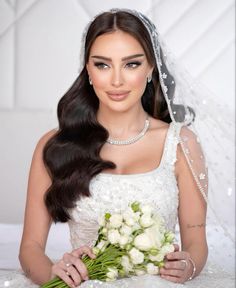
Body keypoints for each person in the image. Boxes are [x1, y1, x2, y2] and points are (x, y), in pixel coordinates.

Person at [1, 8, 234, 288]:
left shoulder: (182, 143)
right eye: (102, 65)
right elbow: (30, 248)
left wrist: (190, 264)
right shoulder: (55, 145)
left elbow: (196, 238)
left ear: (151, 68)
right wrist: (54, 275)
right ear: (87, 70)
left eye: (131, 64)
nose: (116, 81)